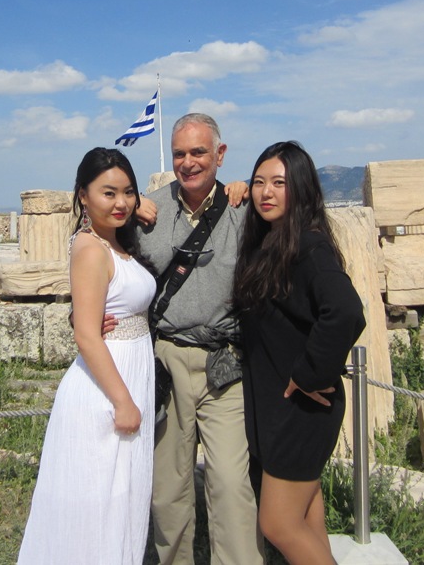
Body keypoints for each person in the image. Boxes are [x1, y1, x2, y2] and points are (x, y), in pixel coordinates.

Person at [18, 148, 157, 564]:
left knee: (120, 499)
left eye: (128, 193)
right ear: (82, 196)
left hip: (129, 370)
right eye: (108, 193)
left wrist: (145, 204)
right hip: (106, 386)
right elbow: (87, 335)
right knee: (100, 502)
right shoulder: (91, 248)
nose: (120, 203)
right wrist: (122, 400)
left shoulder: (114, 241)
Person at [139, 113, 264, 565]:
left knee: (231, 482)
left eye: (198, 152)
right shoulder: (148, 211)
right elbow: (94, 241)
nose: (188, 163)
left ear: (220, 155)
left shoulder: (242, 210)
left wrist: (250, 188)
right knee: (169, 488)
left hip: (223, 363)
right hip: (168, 359)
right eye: (179, 154)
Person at [232, 141, 365, 565]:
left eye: (279, 183)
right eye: (258, 182)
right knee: (306, 518)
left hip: (303, 406)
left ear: (301, 190)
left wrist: (310, 372)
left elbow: (345, 311)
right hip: (282, 407)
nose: (265, 192)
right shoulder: (271, 242)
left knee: (279, 524)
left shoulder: (309, 247)